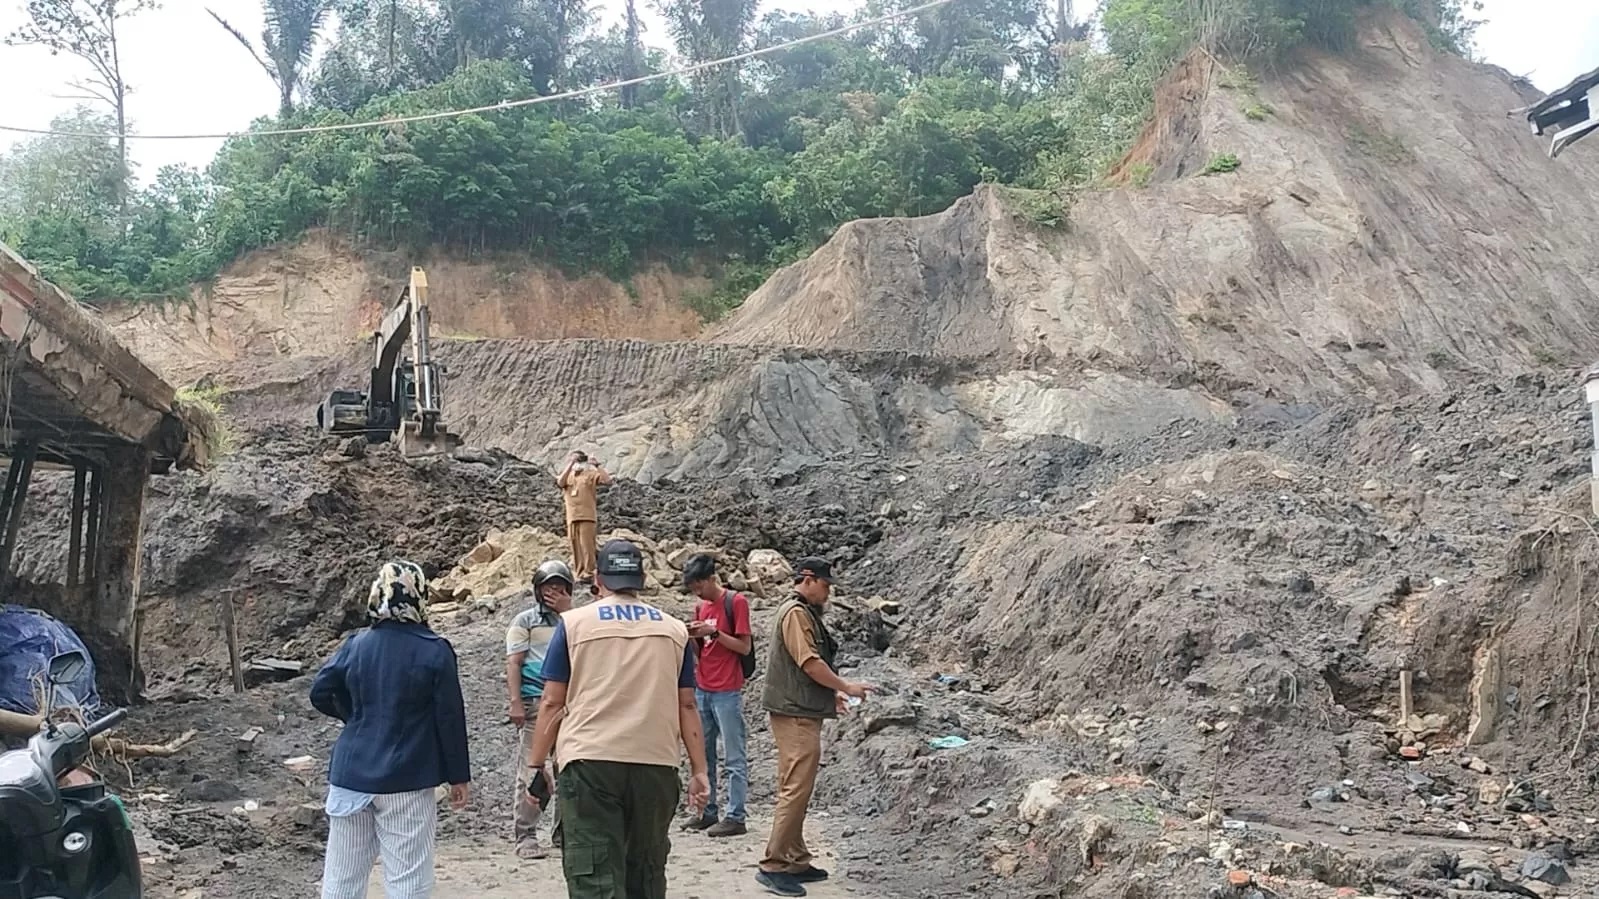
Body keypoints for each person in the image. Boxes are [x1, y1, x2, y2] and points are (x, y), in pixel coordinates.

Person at [525, 538, 711, 899]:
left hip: (590, 762)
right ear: (642, 577)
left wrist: (537, 764)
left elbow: (551, 702)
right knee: (645, 870)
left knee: (595, 873)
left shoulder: (574, 623)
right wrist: (699, 770)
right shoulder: (673, 629)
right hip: (656, 763)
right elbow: (687, 705)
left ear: (599, 577)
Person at [311, 560, 472, 899]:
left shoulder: (356, 644)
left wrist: (354, 717)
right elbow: (449, 718)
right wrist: (458, 776)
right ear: (420, 596)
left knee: (342, 878)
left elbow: (320, 692)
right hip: (407, 779)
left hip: (350, 776)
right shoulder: (434, 650)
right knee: (407, 879)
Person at [756, 557, 870, 898]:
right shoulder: (796, 613)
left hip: (799, 710)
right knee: (795, 789)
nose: (828, 591)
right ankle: (774, 864)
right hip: (796, 716)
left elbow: (802, 668)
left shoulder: (799, 612)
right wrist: (845, 687)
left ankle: (795, 858)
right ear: (808, 579)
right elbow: (809, 662)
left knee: (796, 787)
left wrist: (826, 697)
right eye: (825, 584)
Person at [506, 559, 577, 859]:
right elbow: (514, 662)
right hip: (536, 701)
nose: (554, 593)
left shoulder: (575, 620)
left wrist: (569, 612)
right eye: (548, 588)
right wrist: (516, 702)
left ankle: (563, 832)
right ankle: (525, 835)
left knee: (568, 769)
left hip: (570, 704)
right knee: (531, 772)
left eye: (560, 588)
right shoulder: (524, 621)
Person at [680, 553, 752, 837]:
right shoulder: (700, 607)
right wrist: (693, 637)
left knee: (734, 756)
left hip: (728, 689)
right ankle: (707, 812)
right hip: (703, 688)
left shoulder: (736, 602)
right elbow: (701, 652)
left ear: (712, 578)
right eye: (694, 588)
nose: (698, 592)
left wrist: (715, 632)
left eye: (701, 586)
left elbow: (744, 647)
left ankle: (736, 815)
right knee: (704, 754)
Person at [557, 451, 612, 584]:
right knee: (575, 545)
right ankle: (580, 573)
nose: (576, 463)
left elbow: (607, 481)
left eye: (578, 460)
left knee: (587, 546)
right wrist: (570, 463)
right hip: (572, 516)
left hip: (587, 516)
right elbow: (560, 482)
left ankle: (590, 572)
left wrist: (596, 465)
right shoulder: (568, 477)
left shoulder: (590, 475)